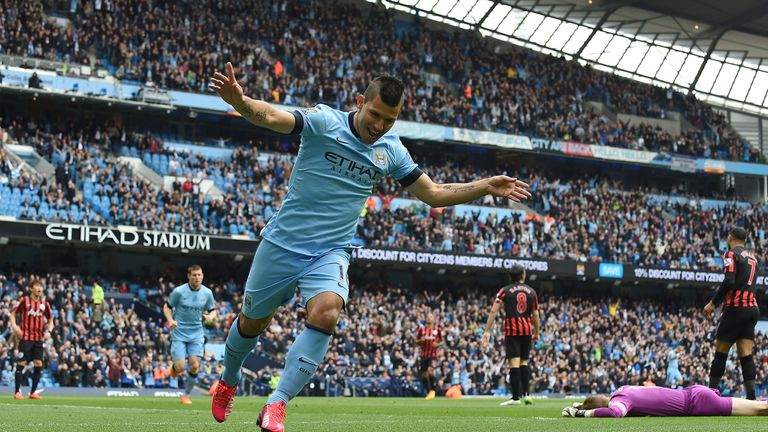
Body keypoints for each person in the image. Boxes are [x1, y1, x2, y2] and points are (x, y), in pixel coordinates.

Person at [208, 62, 531, 431]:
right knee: (253, 322)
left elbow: (434, 194)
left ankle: (276, 405)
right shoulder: (324, 121)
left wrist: (485, 185)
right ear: (360, 101)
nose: (379, 126)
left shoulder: (391, 150)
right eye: (375, 115)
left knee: (328, 311)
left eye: (389, 120)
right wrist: (240, 101)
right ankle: (229, 380)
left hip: (331, 250)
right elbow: (270, 116)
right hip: (282, 242)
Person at [703, 227, 760, 399]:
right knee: (746, 354)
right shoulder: (753, 258)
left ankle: (711, 396)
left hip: (736, 308)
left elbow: (728, 281)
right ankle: (751, 397)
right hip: (752, 309)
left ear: (730, 238)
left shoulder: (730, 255)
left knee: (721, 352)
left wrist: (713, 303)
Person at [481, 265, 539, 406]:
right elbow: (536, 314)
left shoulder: (504, 290)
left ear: (511, 276)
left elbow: (494, 311)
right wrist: (536, 332)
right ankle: (526, 395)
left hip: (512, 330)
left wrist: (487, 331)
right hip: (526, 330)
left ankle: (515, 398)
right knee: (524, 362)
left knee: (514, 364)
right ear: (523, 275)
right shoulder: (532, 292)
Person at [163, 265, 216, 405]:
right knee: (180, 367)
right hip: (179, 333)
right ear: (189, 276)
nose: (197, 277)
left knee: (194, 365)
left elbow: (213, 310)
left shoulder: (207, 293)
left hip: (197, 334)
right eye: (194, 275)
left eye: (199, 275)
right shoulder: (179, 292)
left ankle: (185, 395)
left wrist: (211, 317)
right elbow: (167, 307)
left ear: (202, 276)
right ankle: (174, 370)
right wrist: (170, 320)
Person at [562, 385, 768, 417]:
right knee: (758, 404)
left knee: (760, 410)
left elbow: (615, 413)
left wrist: (582, 413)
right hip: (695, 393)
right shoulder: (621, 389)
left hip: (696, 403)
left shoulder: (620, 400)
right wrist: (580, 405)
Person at [9, 280, 54, 400]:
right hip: (26, 338)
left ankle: (33, 392)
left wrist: (49, 331)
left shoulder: (45, 303)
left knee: (38, 364)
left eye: (41, 286)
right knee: (21, 363)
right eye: (37, 286)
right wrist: (15, 326)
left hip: (38, 339)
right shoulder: (24, 300)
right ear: (31, 289)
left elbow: (50, 320)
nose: (39, 288)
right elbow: (13, 314)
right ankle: (17, 392)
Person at [415, 312, 444, 400]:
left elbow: (442, 341)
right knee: (423, 375)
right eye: (427, 317)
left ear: (433, 319)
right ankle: (429, 391)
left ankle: (433, 389)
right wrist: (421, 341)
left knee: (430, 371)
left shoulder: (437, 330)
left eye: (431, 317)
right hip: (424, 355)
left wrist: (437, 344)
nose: (429, 318)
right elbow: (416, 342)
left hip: (433, 355)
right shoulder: (422, 330)